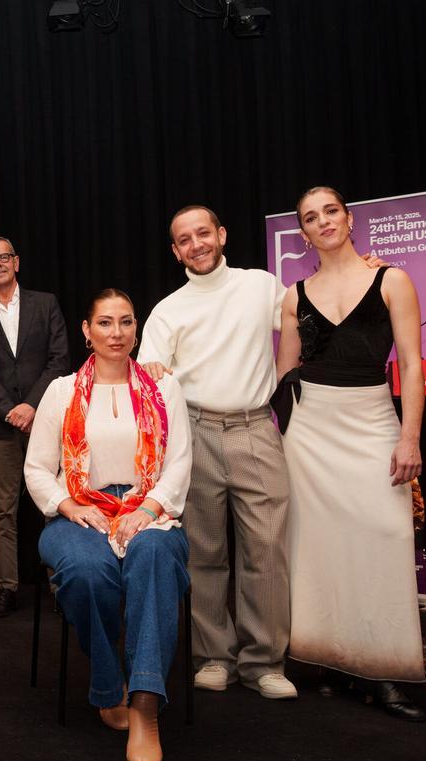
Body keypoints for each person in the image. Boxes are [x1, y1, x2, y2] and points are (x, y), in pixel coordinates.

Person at [25, 289, 192, 761]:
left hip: (150, 507)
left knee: (154, 557)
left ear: (136, 328)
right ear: (86, 330)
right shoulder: (60, 391)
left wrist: (151, 507)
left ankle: (144, 703)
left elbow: (179, 462)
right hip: (79, 510)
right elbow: (37, 469)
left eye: (125, 322)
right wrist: (69, 505)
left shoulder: (165, 389)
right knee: (86, 570)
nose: (116, 333)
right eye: (105, 323)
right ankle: (106, 682)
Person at [277, 186, 426, 721]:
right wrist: (283, 439)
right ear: (304, 233)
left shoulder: (392, 279)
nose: (323, 222)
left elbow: (411, 365)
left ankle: (386, 671)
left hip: (372, 422)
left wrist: (408, 438)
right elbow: (284, 374)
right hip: (311, 432)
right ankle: (330, 660)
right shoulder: (294, 295)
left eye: (331, 211)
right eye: (311, 218)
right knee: (318, 548)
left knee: (384, 538)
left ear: (349, 217)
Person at [136, 206, 297, 700]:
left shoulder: (261, 285)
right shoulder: (168, 309)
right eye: (184, 239)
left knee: (266, 550)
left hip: (255, 428)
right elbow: (149, 377)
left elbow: (312, 313)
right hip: (196, 432)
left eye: (203, 233)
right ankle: (213, 657)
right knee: (204, 552)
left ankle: (265, 662)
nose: (196, 244)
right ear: (175, 251)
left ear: (221, 235)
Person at [0, 235, 70, 618]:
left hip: (46, 419)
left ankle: (62, 583)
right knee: (2, 511)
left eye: (3, 257)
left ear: (16, 262)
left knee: (55, 505)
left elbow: (60, 359)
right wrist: (11, 410)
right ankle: (4, 588)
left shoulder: (46, 303)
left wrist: (32, 406)